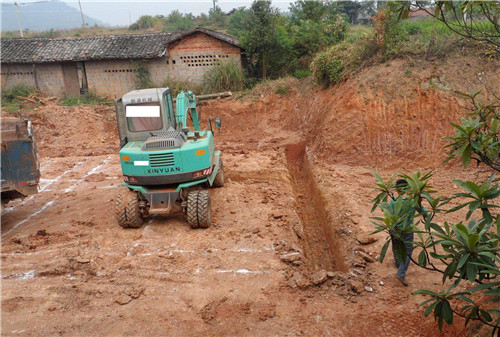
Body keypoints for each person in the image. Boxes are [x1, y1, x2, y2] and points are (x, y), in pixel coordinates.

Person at [390, 179, 425, 286]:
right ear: (408, 188)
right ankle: (401, 273)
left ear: (396, 189)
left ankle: (397, 263)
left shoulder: (392, 201)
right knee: (408, 251)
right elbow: (424, 212)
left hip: (394, 229)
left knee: (396, 245)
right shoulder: (412, 201)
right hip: (407, 230)